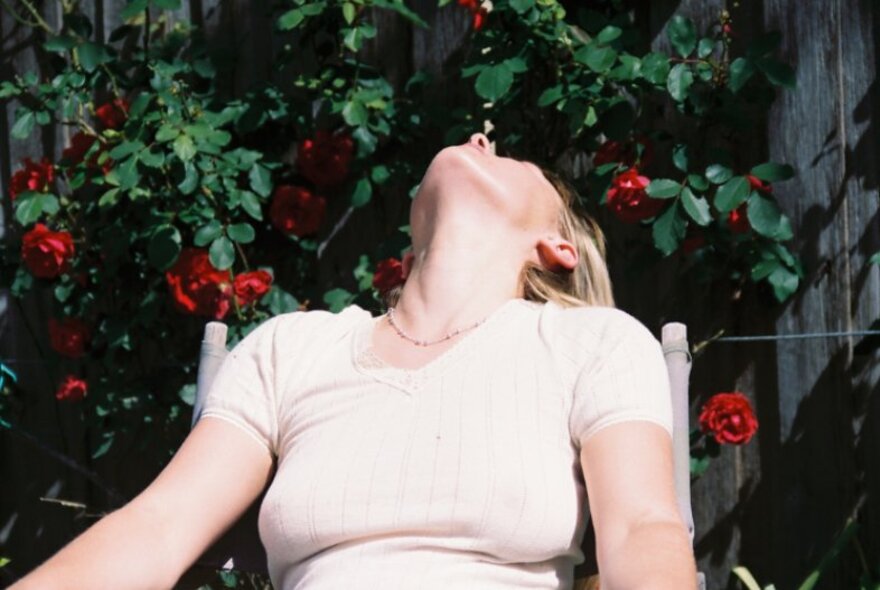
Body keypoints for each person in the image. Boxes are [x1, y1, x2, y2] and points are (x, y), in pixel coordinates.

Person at [11, 133, 697, 589]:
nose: (482, 139)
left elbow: (643, 529)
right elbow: (158, 527)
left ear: (557, 247)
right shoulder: (292, 350)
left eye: (515, 159)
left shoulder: (590, 343)